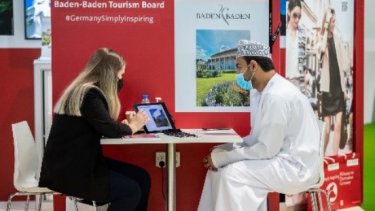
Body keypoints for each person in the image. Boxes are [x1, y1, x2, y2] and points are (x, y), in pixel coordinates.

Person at [197, 40, 320, 211]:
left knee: (230, 175)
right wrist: (225, 149)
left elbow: (266, 150)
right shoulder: (260, 94)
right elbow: (257, 139)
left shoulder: (277, 96)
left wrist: (224, 157)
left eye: (239, 67)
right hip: (277, 159)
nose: (237, 72)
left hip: (294, 167)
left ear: (253, 66)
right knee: (217, 171)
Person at [39, 48, 151, 211]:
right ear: (110, 76)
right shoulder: (89, 94)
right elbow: (110, 129)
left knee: (142, 177)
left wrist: (127, 127)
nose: (121, 80)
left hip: (81, 162)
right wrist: (133, 126)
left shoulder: (86, 91)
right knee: (130, 191)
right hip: (72, 170)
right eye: (120, 76)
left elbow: (105, 126)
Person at [317, 8, 347, 155]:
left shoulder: (338, 39)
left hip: (338, 88)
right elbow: (321, 51)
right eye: (331, 21)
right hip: (327, 90)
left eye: (334, 20)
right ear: (326, 23)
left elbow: (345, 64)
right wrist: (325, 32)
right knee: (327, 130)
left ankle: (334, 157)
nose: (334, 24)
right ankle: (321, 158)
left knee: (339, 125)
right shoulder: (320, 39)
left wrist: (345, 88)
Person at [286, 0, 305, 86]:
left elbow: (303, 61)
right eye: (294, 15)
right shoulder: (282, 32)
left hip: (297, 82)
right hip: (283, 80)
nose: (297, 19)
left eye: (299, 16)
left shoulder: (302, 34)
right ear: (289, 12)